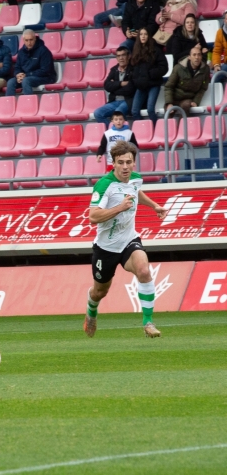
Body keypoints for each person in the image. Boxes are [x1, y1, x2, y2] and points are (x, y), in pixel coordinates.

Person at [84, 141, 167, 339]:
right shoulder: (105, 185)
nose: (125, 167)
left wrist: (154, 206)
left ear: (134, 163)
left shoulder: (136, 179)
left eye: (129, 162)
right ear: (113, 163)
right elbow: (93, 217)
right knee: (99, 291)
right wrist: (119, 208)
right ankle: (91, 312)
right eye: (120, 162)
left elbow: (136, 193)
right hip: (106, 248)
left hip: (129, 239)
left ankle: (148, 322)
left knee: (144, 270)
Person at [130, 28, 168, 124]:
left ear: (149, 36)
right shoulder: (135, 51)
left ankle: (157, 131)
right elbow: (132, 69)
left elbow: (164, 67)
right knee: (134, 111)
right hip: (141, 85)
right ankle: (141, 132)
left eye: (145, 34)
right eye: (141, 34)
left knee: (150, 110)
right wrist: (136, 80)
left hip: (153, 84)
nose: (143, 36)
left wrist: (151, 74)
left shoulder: (156, 50)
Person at [6, 29, 56, 97]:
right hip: (27, 77)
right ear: (23, 40)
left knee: (26, 81)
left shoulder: (44, 51)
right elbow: (17, 67)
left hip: (46, 77)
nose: (29, 43)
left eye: (31, 40)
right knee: (11, 82)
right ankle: (9, 106)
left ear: (35, 39)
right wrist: (18, 75)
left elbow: (45, 70)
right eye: (26, 40)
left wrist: (26, 75)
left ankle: (29, 105)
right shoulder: (21, 52)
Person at [94, 46, 135, 126]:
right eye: (118, 56)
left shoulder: (133, 69)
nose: (121, 58)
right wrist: (120, 83)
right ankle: (112, 131)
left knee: (118, 113)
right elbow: (106, 85)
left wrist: (114, 86)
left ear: (129, 56)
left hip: (127, 101)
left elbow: (130, 89)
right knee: (98, 113)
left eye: (123, 55)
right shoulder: (114, 69)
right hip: (114, 101)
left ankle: (121, 133)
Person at [164, 46, 209, 118]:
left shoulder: (205, 69)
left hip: (188, 98)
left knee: (186, 105)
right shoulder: (178, 68)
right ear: (189, 57)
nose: (197, 57)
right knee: (169, 111)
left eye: (199, 54)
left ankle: (182, 128)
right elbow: (169, 86)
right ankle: (168, 129)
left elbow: (203, 88)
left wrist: (196, 101)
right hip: (174, 98)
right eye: (194, 55)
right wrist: (169, 103)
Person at [212, 11, 227, 78]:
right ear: (224, 20)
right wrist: (216, 65)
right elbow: (217, 52)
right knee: (216, 76)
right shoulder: (220, 33)